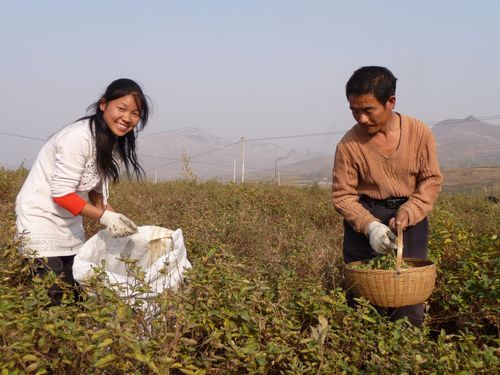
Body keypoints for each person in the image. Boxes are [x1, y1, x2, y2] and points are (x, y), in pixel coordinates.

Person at [15, 78, 151, 304]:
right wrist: (105, 217)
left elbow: (95, 190)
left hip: (69, 224)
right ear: (103, 104)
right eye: (122, 108)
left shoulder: (112, 143)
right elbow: (61, 194)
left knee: (77, 293)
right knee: (53, 295)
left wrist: (115, 218)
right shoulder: (77, 138)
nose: (127, 118)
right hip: (39, 219)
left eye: (135, 114)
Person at [332, 66, 443, 327]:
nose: (360, 118)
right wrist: (370, 227)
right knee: (363, 302)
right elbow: (343, 195)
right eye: (354, 110)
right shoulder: (348, 145)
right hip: (364, 220)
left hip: (410, 222)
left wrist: (410, 211)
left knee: (408, 303)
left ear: (390, 102)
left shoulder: (419, 133)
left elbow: (430, 179)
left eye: (368, 110)